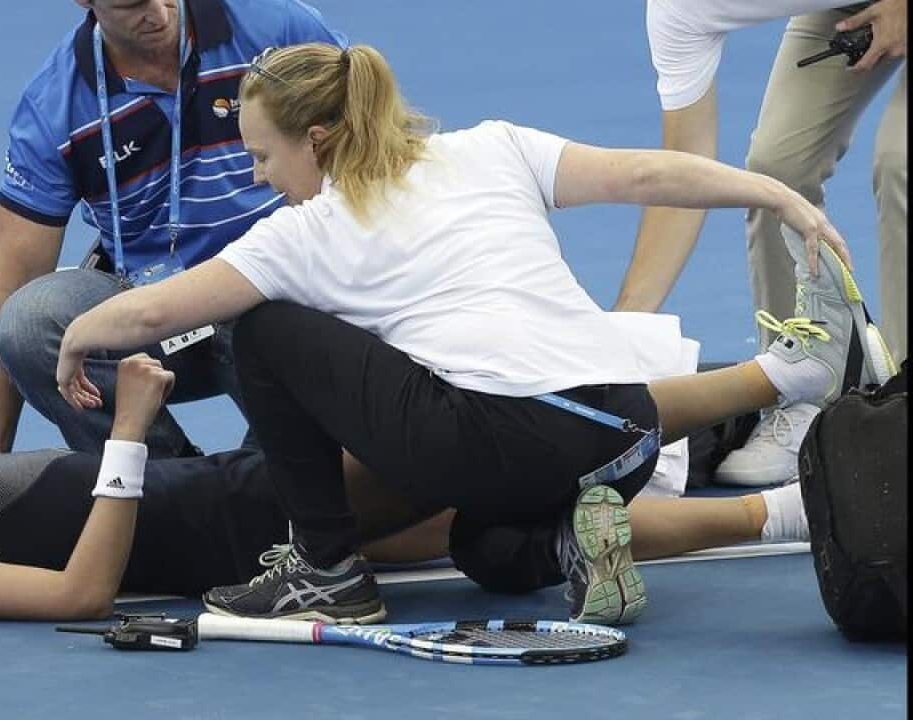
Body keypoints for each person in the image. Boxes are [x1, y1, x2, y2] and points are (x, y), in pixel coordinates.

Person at [54, 43, 896, 626]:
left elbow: (161, 311)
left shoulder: (303, 235)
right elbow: (644, 171)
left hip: (500, 435)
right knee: (481, 545)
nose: (261, 178)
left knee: (263, 330)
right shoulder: (494, 147)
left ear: (317, 141)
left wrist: (73, 333)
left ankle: (327, 572)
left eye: (264, 158)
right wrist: (776, 194)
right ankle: (565, 537)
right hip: (629, 429)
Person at [0, 353, 812, 618]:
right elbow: (76, 596)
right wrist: (133, 436)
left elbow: (38, 506)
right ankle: (784, 376)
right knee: (510, 420)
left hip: (231, 496)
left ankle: (783, 507)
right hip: (245, 517)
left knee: (518, 527)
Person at [0, 0, 345, 460]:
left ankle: (276, 484)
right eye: (131, 4)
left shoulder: (278, 27)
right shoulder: (54, 106)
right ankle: (167, 496)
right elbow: (16, 276)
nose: (160, 14)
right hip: (159, 309)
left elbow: (369, 147)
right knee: (28, 325)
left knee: (292, 482)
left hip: (281, 293)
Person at [619, 0, 906, 487]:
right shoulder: (680, 9)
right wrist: (620, 328)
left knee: (900, 163)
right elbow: (684, 171)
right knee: (776, 171)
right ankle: (802, 385)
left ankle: (901, 404)